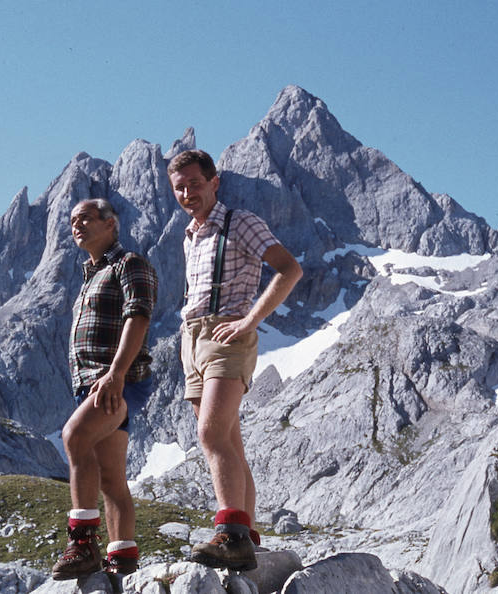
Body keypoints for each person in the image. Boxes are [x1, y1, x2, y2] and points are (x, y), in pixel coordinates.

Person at [167, 149, 302, 571]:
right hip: (192, 340)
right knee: (228, 441)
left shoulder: (239, 221)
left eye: (194, 183)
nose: (188, 193)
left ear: (214, 182)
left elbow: (288, 269)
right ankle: (248, 536)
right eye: (179, 187)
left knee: (210, 434)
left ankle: (231, 534)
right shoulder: (190, 235)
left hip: (228, 334)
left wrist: (249, 320)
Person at [51, 199, 158, 581]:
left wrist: (116, 372)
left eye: (85, 219)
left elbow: (139, 315)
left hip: (119, 379)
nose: (77, 225)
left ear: (110, 223)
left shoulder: (129, 264)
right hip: (94, 382)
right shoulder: (90, 274)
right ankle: (124, 560)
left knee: (74, 436)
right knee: (112, 477)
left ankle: (82, 544)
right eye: (72, 221)